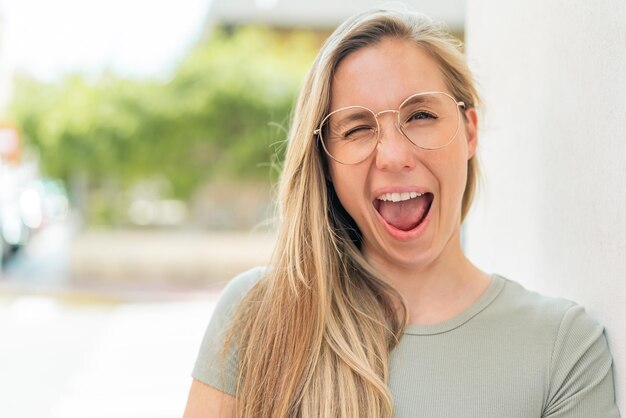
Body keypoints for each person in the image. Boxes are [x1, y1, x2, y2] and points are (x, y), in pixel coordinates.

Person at [183, 7, 620, 418]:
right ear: (326, 163)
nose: (393, 156)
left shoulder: (565, 349)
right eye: (357, 128)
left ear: (469, 131)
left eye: (421, 115)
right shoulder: (261, 314)